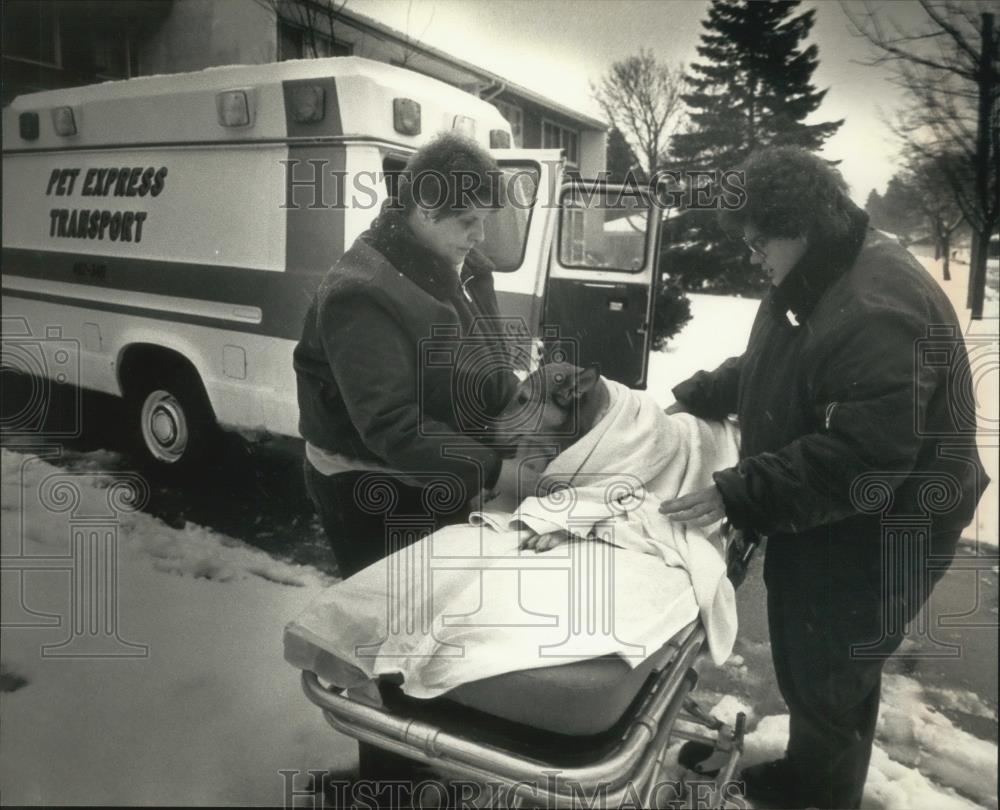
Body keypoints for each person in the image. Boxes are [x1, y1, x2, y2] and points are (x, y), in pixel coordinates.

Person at [659, 147, 988, 809]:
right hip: (847, 509)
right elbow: (778, 361)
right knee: (819, 657)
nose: (755, 259)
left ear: (799, 228)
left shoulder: (875, 305)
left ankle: (819, 797)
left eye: (759, 245)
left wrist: (740, 489)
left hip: (888, 522)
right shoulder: (821, 271)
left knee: (830, 663)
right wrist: (699, 392)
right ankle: (813, 772)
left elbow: (863, 459)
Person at [294, 131, 532, 578]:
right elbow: (391, 424)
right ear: (425, 209)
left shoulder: (466, 268)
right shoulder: (362, 291)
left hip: (436, 471)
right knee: (393, 620)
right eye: (467, 221)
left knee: (440, 607)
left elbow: (491, 367)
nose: (479, 236)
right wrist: (497, 471)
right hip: (370, 485)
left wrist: (529, 420)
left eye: (484, 220)